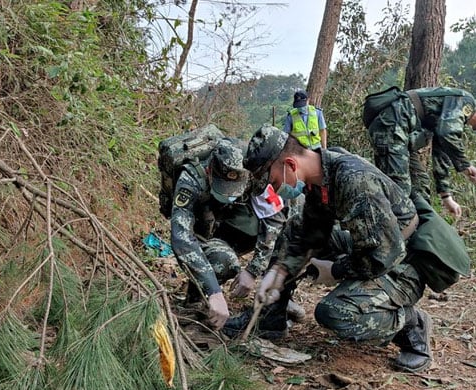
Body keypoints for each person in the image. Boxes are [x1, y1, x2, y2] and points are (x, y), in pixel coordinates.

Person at [224, 125, 437, 372]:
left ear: (290, 165)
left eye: (273, 181)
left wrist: (335, 269)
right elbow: (311, 232)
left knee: (335, 313)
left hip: (403, 259)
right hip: (372, 243)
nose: (275, 189)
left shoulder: (354, 181)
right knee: (294, 228)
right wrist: (280, 271)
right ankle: (270, 318)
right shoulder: (320, 174)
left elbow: (383, 256)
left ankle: (413, 325)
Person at [169, 138, 287, 330]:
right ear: (210, 171)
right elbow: (181, 237)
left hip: (228, 225)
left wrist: (253, 270)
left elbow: (274, 218)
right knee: (223, 260)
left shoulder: (253, 173)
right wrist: (214, 291)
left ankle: (276, 306)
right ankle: (197, 297)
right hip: (200, 231)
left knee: (288, 228)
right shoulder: (190, 179)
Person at [365, 87, 476, 218]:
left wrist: (446, 197)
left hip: (400, 134)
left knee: (421, 185)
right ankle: (385, 238)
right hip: (391, 127)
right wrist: (466, 165)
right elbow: (447, 133)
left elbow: (441, 151)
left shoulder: (455, 117)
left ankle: (422, 234)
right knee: (399, 192)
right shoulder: (465, 101)